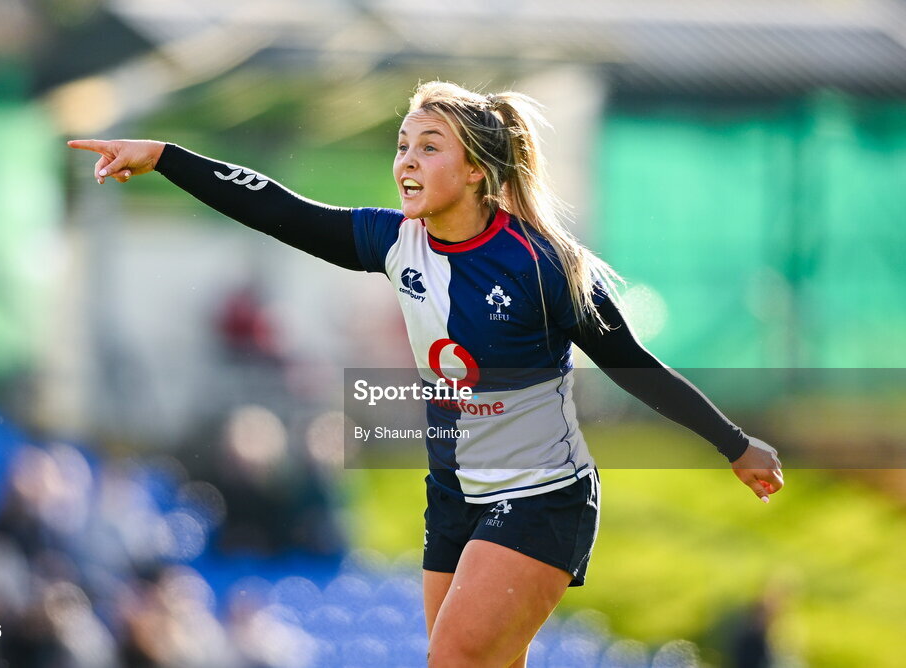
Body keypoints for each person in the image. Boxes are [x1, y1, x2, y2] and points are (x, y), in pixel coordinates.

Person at [69, 80, 784, 668]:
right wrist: (165, 156)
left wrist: (734, 445)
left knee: (454, 662)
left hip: (541, 498)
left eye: (428, 146)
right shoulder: (394, 241)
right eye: (402, 145)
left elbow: (633, 365)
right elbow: (277, 208)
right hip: (453, 496)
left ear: (476, 169)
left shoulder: (542, 266)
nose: (406, 160)